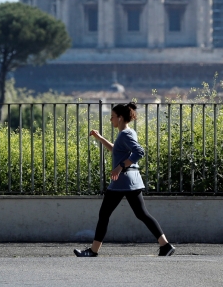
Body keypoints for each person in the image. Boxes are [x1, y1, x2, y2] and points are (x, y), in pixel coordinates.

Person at [74, 102, 175, 257]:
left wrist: (120, 167)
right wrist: (100, 137)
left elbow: (139, 152)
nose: (111, 120)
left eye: (113, 117)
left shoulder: (125, 134)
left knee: (104, 215)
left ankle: (93, 251)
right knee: (142, 214)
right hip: (132, 181)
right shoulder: (128, 133)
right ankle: (165, 245)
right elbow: (117, 150)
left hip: (121, 181)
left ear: (120, 118)